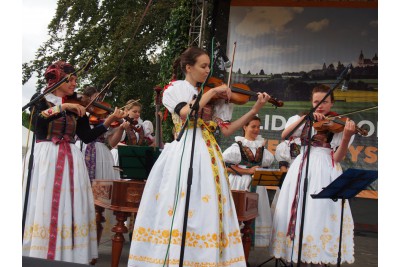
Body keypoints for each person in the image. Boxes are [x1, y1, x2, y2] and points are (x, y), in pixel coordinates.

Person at [127, 46, 271, 266]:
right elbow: (186, 114)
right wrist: (212, 92)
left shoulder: (212, 95)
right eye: (203, 66)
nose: (207, 71)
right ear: (188, 67)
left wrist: (254, 109)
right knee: (181, 204)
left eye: (208, 67)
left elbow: (227, 129)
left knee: (205, 208)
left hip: (209, 153)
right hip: (183, 151)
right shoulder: (175, 89)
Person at [22, 60, 126, 264]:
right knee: (43, 202)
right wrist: (62, 107)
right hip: (46, 158)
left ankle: (66, 254)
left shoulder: (78, 105)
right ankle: (37, 252)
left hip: (70, 159)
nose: (74, 84)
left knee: (67, 206)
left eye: (76, 80)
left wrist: (109, 120)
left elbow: (87, 136)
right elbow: (38, 122)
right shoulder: (41, 99)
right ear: (58, 78)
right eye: (71, 80)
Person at [269, 84, 357, 266]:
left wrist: (347, 137)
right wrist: (305, 118)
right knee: (302, 212)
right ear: (311, 102)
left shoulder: (339, 124)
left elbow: (338, 157)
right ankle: (299, 255)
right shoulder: (302, 119)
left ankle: (318, 258)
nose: (320, 105)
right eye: (316, 101)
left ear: (332, 103)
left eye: (325, 101)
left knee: (319, 213)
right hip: (302, 167)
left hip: (327, 169)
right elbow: (285, 135)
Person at [222, 115, 275, 248]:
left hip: (256, 186)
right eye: (253, 126)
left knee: (254, 217)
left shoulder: (262, 149)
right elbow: (226, 167)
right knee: (238, 216)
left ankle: (248, 250)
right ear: (245, 127)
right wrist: (248, 171)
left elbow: (266, 166)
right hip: (238, 184)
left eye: (258, 127)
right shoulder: (236, 147)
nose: (256, 130)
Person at [75, 86, 121, 182]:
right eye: (95, 98)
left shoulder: (102, 115)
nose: (98, 102)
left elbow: (112, 143)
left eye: (99, 99)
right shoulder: (80, 112)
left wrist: (119, 126)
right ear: (87, 98)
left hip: (100, 152)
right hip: (81, 148)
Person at [110, 100, 155, 168]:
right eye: (135, 111)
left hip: (134, 158)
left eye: (139, 112)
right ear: (126, 110)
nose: (138, 114)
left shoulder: (142, 126)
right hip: (119, 156)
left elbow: (153, 142)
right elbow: (113, 144)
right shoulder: (118, 123)